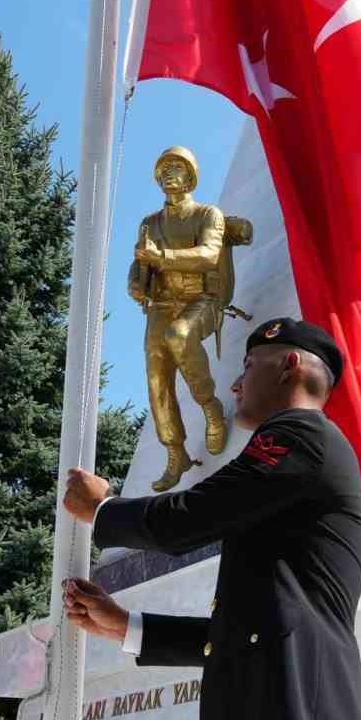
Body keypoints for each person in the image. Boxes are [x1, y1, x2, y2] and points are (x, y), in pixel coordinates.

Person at [62, 317, 361, 720]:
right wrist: (129, 626)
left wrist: (103, 510)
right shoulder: (295, 463)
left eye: (247, 366)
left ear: (289, 366)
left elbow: (190, 517)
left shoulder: (300, 436)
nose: (234, 385)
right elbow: (256, 628)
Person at [129, 145, 232, 491]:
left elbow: (208, 255)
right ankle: (175, 451)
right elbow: (140, 262)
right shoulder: (150, 222)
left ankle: (210, 406)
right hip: (160, 305)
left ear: (191, 177)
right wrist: (135, 283)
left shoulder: (208, 214)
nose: (170, 173)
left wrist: (164, 256)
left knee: (179, 335)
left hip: (200, 300)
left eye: (178, 167)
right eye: (165, 169)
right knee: (156, 377)